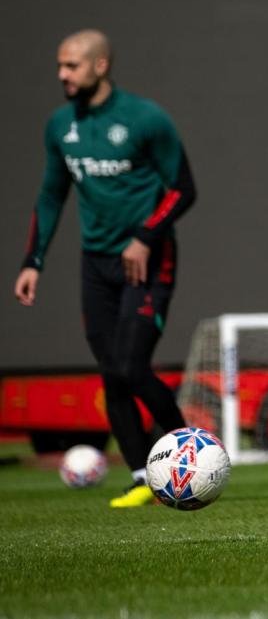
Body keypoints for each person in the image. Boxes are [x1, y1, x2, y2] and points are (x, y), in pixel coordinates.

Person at [13, 30, 197, 507]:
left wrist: (144, 237)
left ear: (100, 66)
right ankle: (142, 476)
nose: (61, 75)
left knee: (132, 366)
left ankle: (191, 459)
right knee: (111, 373)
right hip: (96, 266)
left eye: (71, 65)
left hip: (148, 260)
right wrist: (34, 261)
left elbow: (183, 188)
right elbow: (52, 195)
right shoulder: (61, 125)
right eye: (59, 65)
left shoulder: (145, 119)